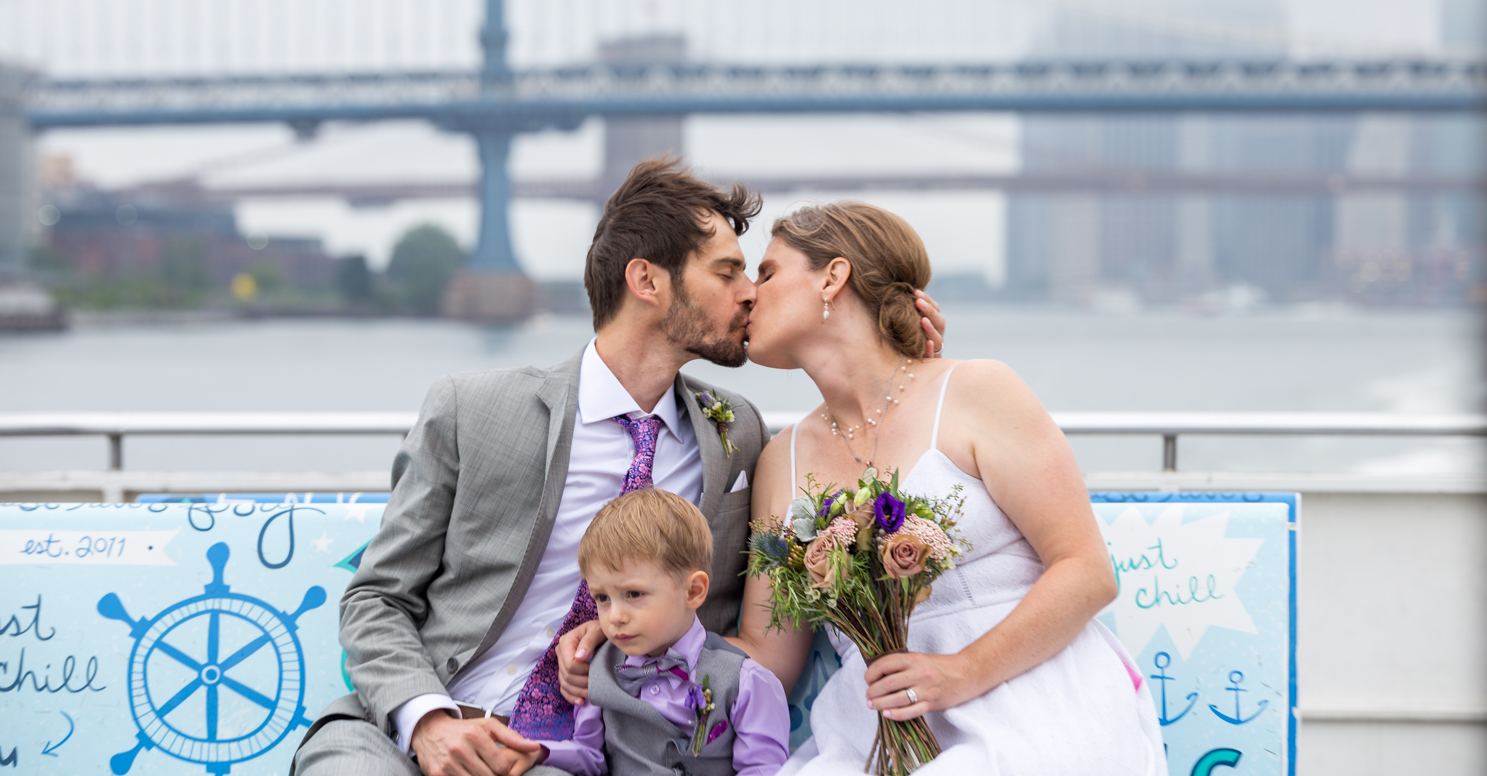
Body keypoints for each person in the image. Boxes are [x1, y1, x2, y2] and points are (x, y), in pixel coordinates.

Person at [291, 160, 947, 776]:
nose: (750, 294)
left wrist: (901, 359)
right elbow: (379, 596)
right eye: (727, 273)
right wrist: (426, 719)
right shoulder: (473, 410)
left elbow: (859, 469)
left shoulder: (740, 436)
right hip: (405, 730)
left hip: (570, 752)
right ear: (647, 282)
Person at [559, 201, 1165, 775]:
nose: (747, 292)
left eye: (766, 272)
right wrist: (632, 635)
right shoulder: (782, 459)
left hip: (1033, 696)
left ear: (833, 278)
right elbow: (769, 657)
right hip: (875, 719)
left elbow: (1086, 570)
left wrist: (962, 671)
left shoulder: (978, 391)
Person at [535, 488, 789, 776]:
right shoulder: (601, 668)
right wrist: (540, 752)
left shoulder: (747, 682)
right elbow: (591, 758)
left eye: (634, 593)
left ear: (693, 591)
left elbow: (763, 770)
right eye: (602, 598)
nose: (615, 616)